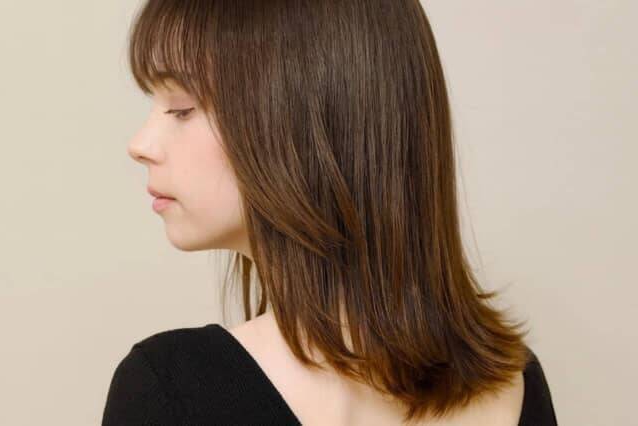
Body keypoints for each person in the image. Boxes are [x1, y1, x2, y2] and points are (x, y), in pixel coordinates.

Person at [103, 0, 558, 424]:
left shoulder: (171, 391)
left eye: (181, 108)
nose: (140, 145)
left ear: (304, 120)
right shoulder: (515, 385)